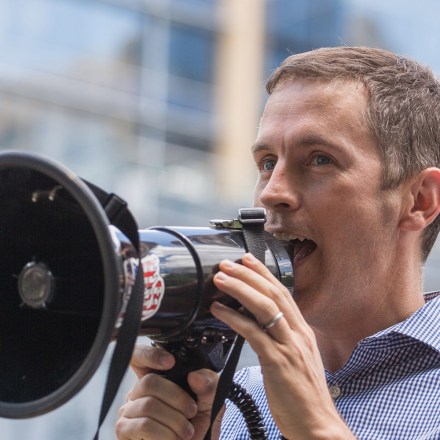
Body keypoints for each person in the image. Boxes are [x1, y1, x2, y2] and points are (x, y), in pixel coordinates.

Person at [115, 46, 440, 439]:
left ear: (419, 200)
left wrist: (316, 427)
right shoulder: (226, 403)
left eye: (319, 159)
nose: (273, 192)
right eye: (268, 162)